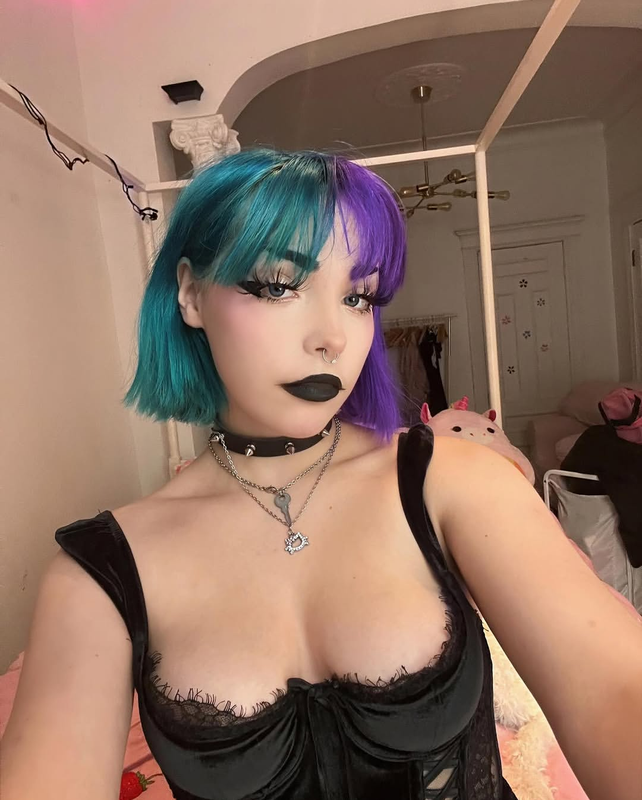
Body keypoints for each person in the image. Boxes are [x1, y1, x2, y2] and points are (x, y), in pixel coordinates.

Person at [2, 149, 641, 800]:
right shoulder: (98, 575)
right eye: (280, 285)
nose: (333, 336)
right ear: (191, 294)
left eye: (358, 296)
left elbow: (618, 692)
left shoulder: (453, 484)